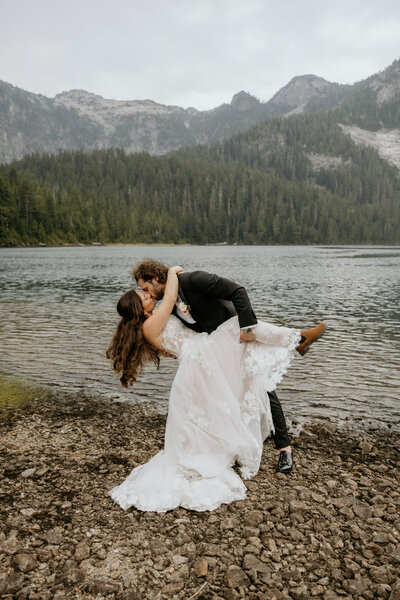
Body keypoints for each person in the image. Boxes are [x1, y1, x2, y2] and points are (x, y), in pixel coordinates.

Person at [107, 266, 326, 513]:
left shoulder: (156, 317)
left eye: (146, 291)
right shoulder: (153, 321)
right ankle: (296, 338)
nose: (148, 296)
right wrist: (171, 273)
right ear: (139, 309)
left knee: (241, 378)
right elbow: (170, 299)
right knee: (236, 327)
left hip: (200, 355)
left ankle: (297, 339)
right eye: (144, 296)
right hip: (200, 355)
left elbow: (184, 317)